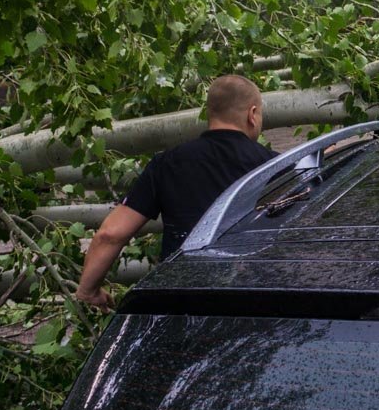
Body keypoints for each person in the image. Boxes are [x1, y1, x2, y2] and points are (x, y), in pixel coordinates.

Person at [75, 75, 275, 309]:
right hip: (253, 299)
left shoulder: (167, 164)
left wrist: (88, 291)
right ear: (252, 115)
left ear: (210, 113)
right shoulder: (275, 167)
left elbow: (111, 234)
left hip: (180, 299)